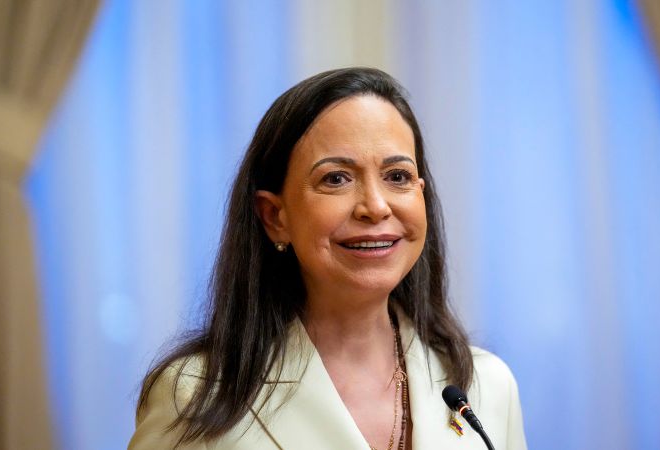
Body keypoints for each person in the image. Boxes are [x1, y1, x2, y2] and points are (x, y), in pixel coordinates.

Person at [128, 67, 527, 450]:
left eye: (397, 176)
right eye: (336, 178)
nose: (375, 206)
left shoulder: (487, 386)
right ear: (275, 217)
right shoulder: (195, 395)